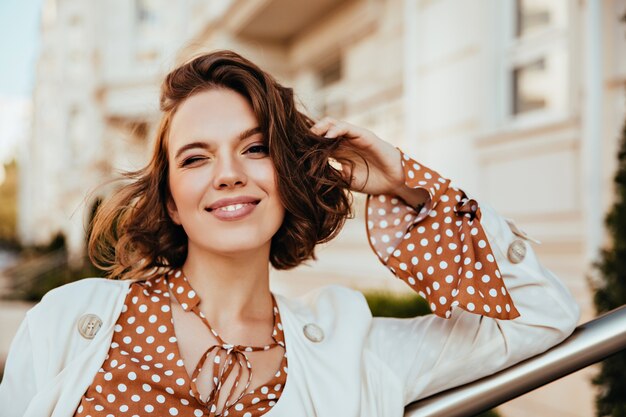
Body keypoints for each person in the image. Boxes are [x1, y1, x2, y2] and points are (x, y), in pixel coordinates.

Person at [0, 50, 579, 417]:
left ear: (288, 175)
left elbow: (538, 314)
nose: (229, 174)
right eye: (197, 159)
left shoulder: (354, 347)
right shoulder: (65, 322)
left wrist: (407, 184)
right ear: (171, 201)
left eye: (255, 148)